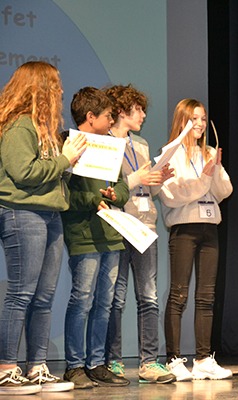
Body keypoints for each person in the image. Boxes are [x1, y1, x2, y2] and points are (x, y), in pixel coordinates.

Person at [0, 62, 85, 395]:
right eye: (55, 84)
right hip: (23, 213)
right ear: (39, 89)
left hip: (50, 214)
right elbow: (23, 172)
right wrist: (64, 160)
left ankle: (37, 366)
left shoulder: (44, 129)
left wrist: (68, 164)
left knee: (44, 296)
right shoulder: (20, 125)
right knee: (21, 293)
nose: (61, 90)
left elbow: (50, 173)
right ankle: (6, 367)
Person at [103, 84, 176, 384]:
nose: (144, 115)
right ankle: (113, 361)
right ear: (122, 111)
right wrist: (138, 178)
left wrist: (160, 179)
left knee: (149, 296)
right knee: (116, 297)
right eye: (139, 110)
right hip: (119, 225)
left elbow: (149, 190)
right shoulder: (104, 144)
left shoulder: (141, 145)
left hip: (146, 226)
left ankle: (149, 362)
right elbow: (109, 188)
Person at [159, 99, 233, 381]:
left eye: (203, 118)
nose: (200, 124)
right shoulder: (170, 153)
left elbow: (224, 191)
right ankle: (173, 359)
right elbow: (172, 195)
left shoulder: (209, 152)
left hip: (209, 228)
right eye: (194, 119)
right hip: (184, 229)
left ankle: (203, 359)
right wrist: (203, 181)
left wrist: (215, 171)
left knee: (206, 296)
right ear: (182, 121)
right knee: (178, 294)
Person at [62, 87, 130, 389]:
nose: (111, 121)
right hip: (83, 235)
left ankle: (97, 363)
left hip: (110, 234)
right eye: (107, 116)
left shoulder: (111, 146)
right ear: (90, 117)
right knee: (82, 300)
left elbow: (122, 186)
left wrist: (115, 195)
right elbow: (64, 195)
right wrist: (92, 199)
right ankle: (75, 365)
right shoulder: (69, 145)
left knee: (104, 302)